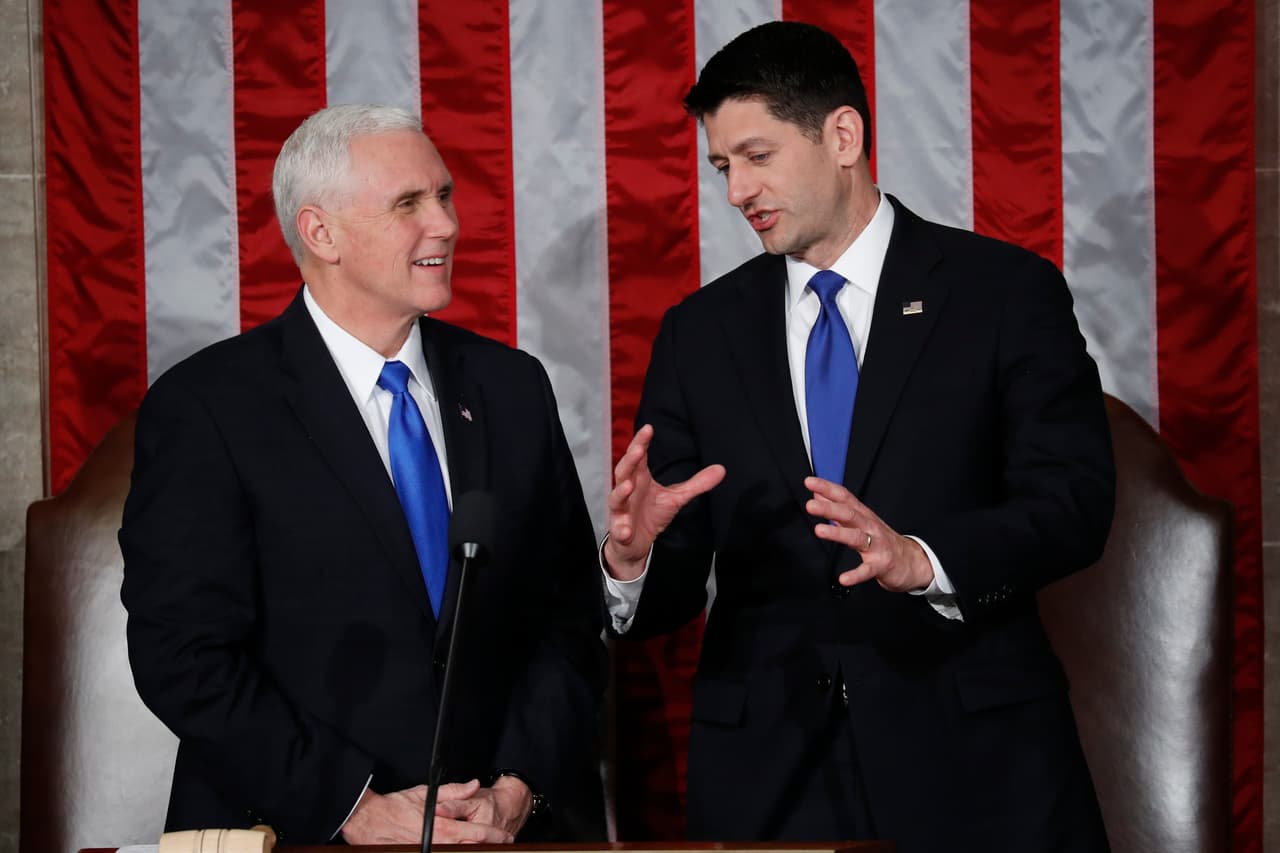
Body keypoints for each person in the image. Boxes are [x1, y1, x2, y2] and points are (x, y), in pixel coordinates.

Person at [602, 21, 1114, 853]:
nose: (736, 191)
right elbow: (673, 585)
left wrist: (923, 558)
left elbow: (1074, 502)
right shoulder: (699, 333)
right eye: (722, 166)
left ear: (843, 135)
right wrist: (634, 560)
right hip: (768, 774)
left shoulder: (1002, 294)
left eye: (756, 156)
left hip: (971, 762)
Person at [120, 103, 606, 845]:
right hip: (298, 829)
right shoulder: (208, 407)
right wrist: (353, 806)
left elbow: (567, 621)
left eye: (442, 196)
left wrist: (517, 784)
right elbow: (182, 654)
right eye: (408, 203)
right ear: (321, 232)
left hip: (496, 831)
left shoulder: (511, 387)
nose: (444, 224)